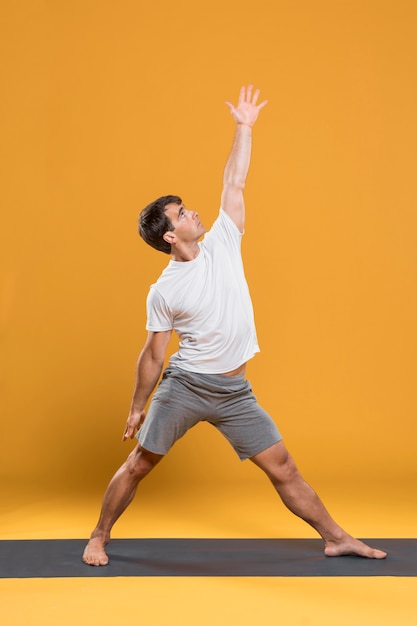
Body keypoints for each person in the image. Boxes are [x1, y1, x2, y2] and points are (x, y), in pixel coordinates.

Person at [83, 85, 387, 566]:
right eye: (182, 213)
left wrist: (244, 126)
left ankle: (337, 537)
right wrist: (138, 406)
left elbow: (234, 183)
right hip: (185, 386)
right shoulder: (165, 289)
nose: (193, 212)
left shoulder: (223, 240)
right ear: (170, 235)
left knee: (283, 467)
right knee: (140, 464)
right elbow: (153, 355)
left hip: (235, 392)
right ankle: (98, 535)